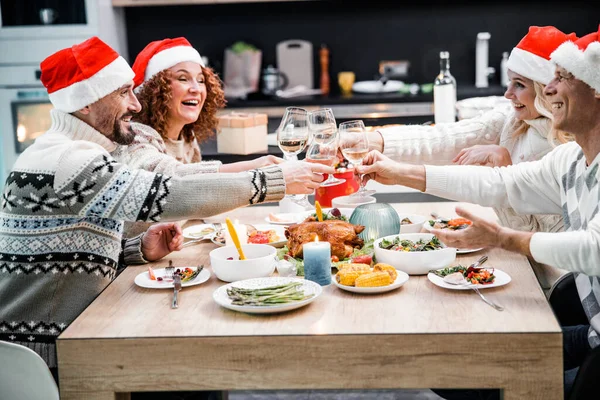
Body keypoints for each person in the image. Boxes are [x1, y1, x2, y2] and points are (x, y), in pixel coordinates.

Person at [0, 37, 334, 378]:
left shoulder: (71, 152)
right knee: (192, 365)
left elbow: (64, 253)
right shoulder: (71, 160)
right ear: (86, 104)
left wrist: (135, 249)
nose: (135, 104)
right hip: (41, 354)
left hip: (61, 338)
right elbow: (169, 193)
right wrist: (270, 181)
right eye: (122, 93)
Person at [356, 26, 600, 399]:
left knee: (481, 378)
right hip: (592, 332)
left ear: (596, 90)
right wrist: (397, 173)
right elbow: (501, 185)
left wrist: (502, 238)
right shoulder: (570, 160)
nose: (550, 89)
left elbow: (593, 249)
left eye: (563, 78)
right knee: (451, 366)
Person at [343, 26, 576, 294]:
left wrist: (504, 166)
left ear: (546, 91)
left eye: (519, 85)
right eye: (510, 82)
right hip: (520, 266)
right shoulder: (514, 121)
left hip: (557, 285)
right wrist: (375, 141)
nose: (507, 94)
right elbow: (446, 137)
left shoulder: (564, 147)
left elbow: (520, 219)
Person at [112, 37, 285, 236]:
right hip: (131, 262)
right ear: (155, 90)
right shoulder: (136, 136)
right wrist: (255, 167)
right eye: (183, 79)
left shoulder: (187, 139)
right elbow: (173, 180)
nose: (196, 88)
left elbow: (197, 202)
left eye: (201, 80)